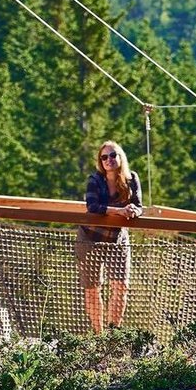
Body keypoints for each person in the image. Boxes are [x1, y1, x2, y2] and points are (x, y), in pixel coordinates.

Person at [76, 140, 143, 333]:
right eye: (104, 157)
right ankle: (99, 335)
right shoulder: (94, 180)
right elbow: (93, 207)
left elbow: (138, 205)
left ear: (121, 157)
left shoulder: (131, 179)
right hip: (90, 238)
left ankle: (114, 335)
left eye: (113, 155)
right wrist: (121, 211)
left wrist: (133, 211)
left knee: (121, 286)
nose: (109, 160)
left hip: (117, 239)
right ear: (100, 161)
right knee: (92, 288)